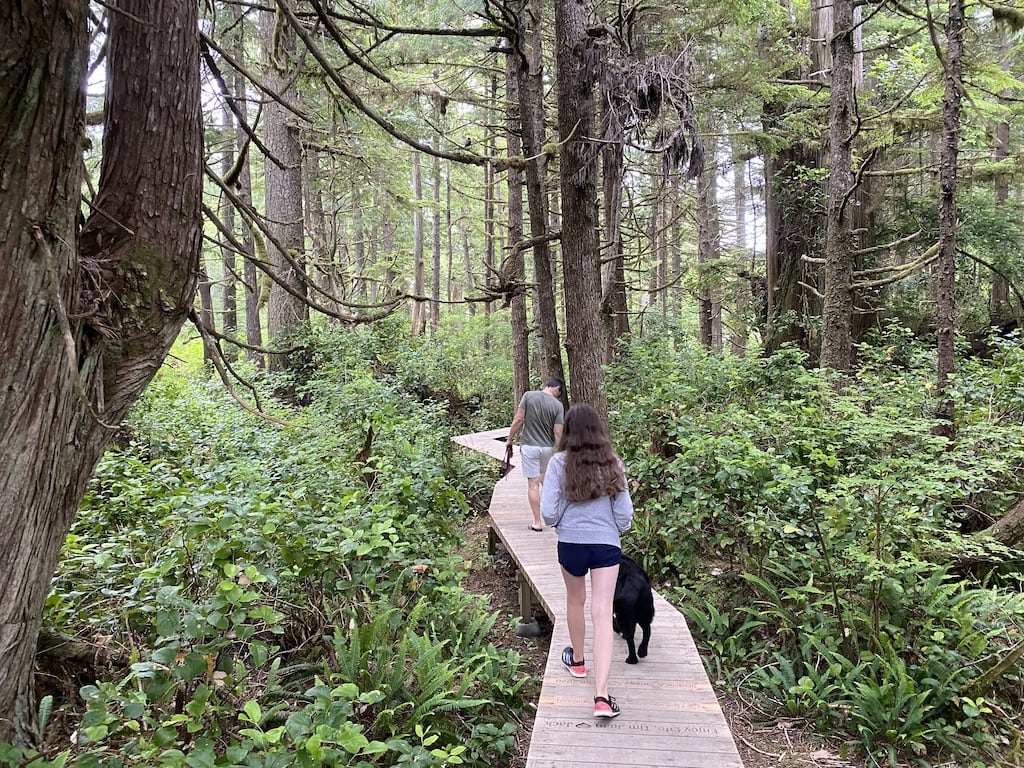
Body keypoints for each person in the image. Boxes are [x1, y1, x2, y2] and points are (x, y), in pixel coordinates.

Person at [540, 403, 634, 719]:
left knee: (576, 601)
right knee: (603, 612)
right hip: (606, 545)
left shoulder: (558, 464)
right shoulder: (612, 463)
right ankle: (602, 697)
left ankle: (577, 662)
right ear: (598, 431)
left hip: (571, 545)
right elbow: (624, 516)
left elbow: (549, 514)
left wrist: (569, 514)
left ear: (568, 430)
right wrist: (609, 528)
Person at [507, 378, 564, 531]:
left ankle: (537, 523)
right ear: (557, 388)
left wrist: (509, 439)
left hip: (529, 447)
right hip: (547, 449)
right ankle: (557, 516)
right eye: (560, 393)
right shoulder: (558, 405)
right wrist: (560, 451)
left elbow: (519, 419)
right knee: (547, 481)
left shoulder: (528, 396)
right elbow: (558, 432)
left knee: (533, 485)